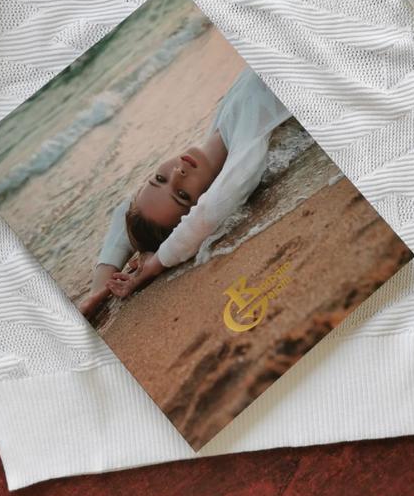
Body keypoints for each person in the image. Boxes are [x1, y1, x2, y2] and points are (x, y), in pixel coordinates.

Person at [78, 63, 292, 318]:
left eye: (159, 178)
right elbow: (210, 211)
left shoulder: (219, 132)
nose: (178, 174)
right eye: (182, 196)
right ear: (203, 198)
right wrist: (156, 264)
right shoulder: (246, 145)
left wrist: (98, 289)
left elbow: (125, 210)